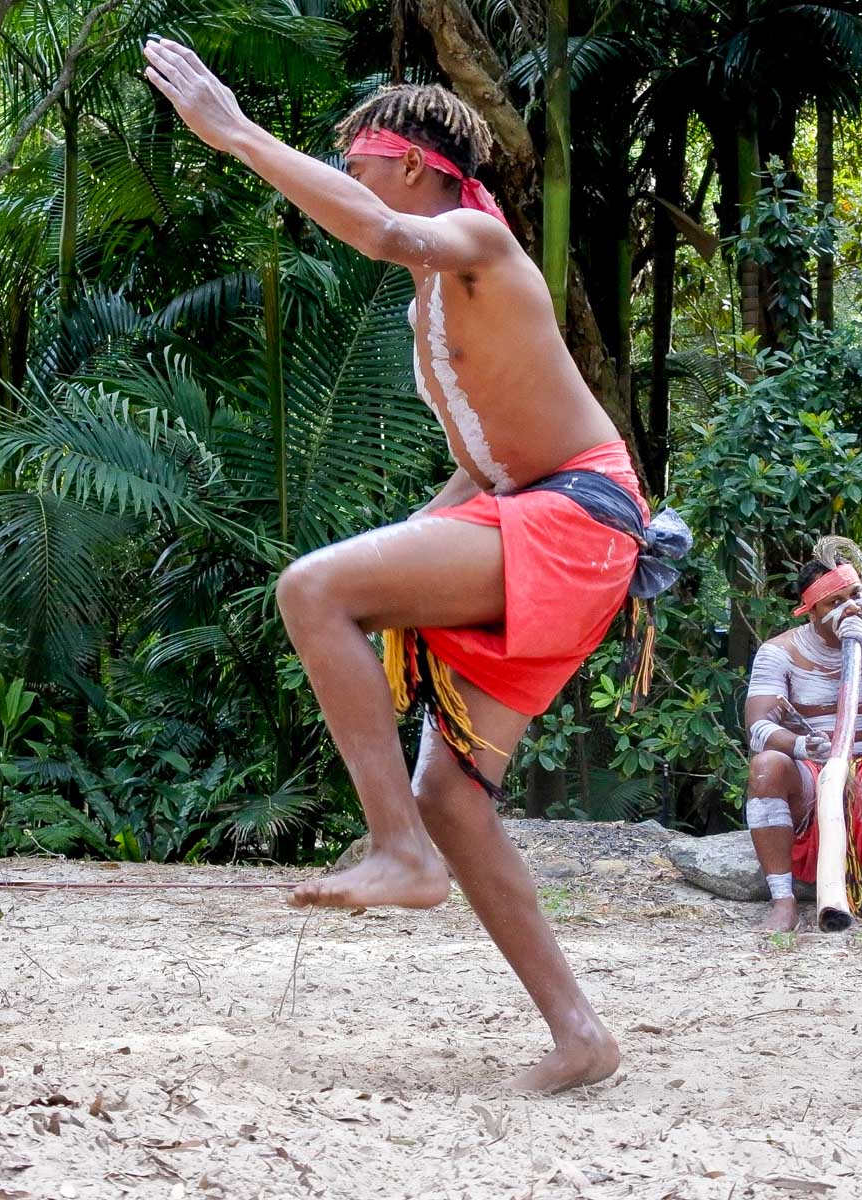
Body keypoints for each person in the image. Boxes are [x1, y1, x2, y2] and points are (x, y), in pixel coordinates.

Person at [143, 40, 687, 1093]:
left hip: (578, 519)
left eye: (357, 160)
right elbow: (479, 462)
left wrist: (237, 131)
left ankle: (397, 851)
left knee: (314, 585)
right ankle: (581, 1036)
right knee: (452, 790)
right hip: (550, 518)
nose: (348, 178)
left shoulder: (473, 231)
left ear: (413, 164)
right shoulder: (432, 301)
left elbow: (385, 233)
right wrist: (404, 550)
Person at [744, 537, 862, 936]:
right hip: (809, 780)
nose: (852, 608)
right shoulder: (779, 651)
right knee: (766, 767)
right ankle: (784, 904)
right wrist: (798, 745)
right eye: (835, 602)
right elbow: (758, 730)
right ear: (811, 611)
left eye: (856, 594)